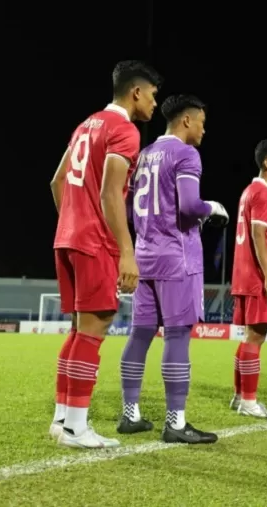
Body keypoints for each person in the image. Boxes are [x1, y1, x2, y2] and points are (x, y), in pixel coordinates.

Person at [49, 60, 162, 449]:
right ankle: (76, 429)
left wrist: (73, 220)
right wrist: (126, 252)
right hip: (94, 241)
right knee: (94, 329)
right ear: (135, 92)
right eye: (152, 94)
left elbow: (58, 181)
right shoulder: (124, 130)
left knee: (80, 330)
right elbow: (111, 192)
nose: (153, 102)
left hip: (67, 237)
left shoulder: (87, 124)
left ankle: (62, 419)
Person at [117, 94, 228, 444]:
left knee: (140, 335)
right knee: (178, 335)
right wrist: (214, 207)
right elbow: (190, 206)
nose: (203, 130)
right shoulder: (185, 153)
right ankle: (176, 422)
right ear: (186, 121)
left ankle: (130, 414)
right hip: (177, 257)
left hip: (145, 255)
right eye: (202, 123)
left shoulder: (145, 154)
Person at [228, 139, 267, 419]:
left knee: (249, 336)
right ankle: (249, 401)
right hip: (257, 276)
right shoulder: (264, 194)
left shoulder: (249, 191)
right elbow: (258, 235)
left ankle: (240, 396)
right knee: (256, 336)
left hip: (243, 273)